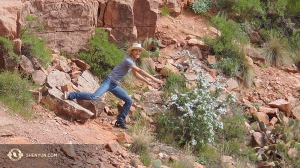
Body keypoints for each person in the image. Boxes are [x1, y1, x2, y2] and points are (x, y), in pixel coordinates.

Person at [64, 43, 163, 129]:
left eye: (139, 51)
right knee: (94, 96)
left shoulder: (133, 62)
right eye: (136, 51)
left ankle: (120, 121)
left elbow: (136, 74)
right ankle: (71, 95)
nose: (138, 53)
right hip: (108, 81)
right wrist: (154, 79)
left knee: (129, 100)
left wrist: (148, 82)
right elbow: (139, 71)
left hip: (114, 85)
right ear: (132, 51)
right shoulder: (128, 60)